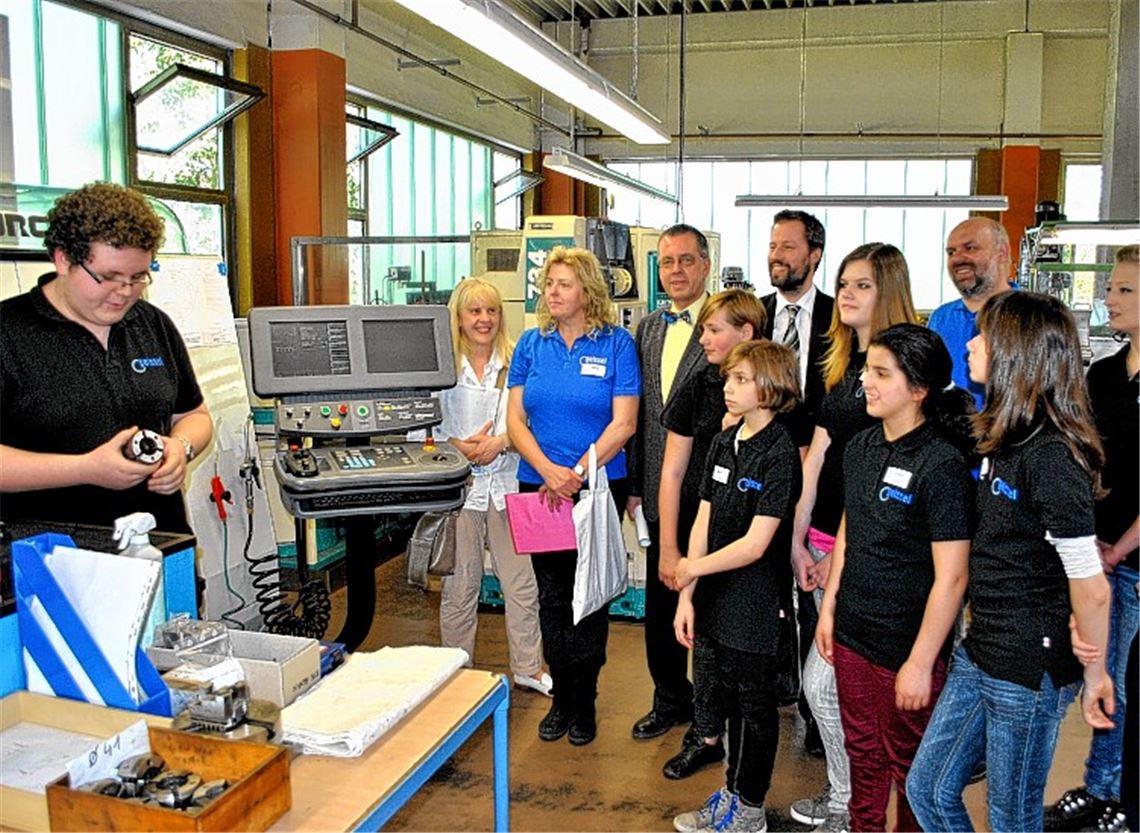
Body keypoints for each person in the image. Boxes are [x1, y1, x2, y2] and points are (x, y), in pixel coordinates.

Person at [907, 291, 1115, 833]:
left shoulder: (1051, 458)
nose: (971, 344)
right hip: (983, 649)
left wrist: (1095, 674)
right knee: (928, 788)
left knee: (1011, 819)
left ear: (1018, 355)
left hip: (1027, 669)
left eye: (985, 337)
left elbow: (1091, 586)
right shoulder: (1005, 438)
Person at [815, 324, 975, 832]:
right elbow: (848, 530)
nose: (867, 383)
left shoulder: (941, 464)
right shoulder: (861, 447)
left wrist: (921, 663)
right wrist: (829, 608)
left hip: (905, 646)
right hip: (852, 634)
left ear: (920, 388)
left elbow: (952, 577)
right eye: (868, 371)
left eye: (882, 374)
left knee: (911, 769)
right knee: (861, 753)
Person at [788, 243, 918, 833]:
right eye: (843, 283)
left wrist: (840, 556)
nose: (845, 294)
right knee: (833, 690)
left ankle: (859, 802)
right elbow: (815, 458)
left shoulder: (905, 370)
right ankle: (848, 800)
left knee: (837, 689)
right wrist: (797, 541)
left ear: (888, 290)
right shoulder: (839, 365)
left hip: (870, 557)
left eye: (861, 285)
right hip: (822, 544)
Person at [0, 182, 212, 534]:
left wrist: (181, 447)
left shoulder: (153, 323)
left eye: (138, 277)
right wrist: (85, 468)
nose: (125, 292)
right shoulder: (8, 334)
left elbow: (194, 415)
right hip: (52, 552)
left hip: (161, 539)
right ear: (63, 259)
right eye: (108, 277)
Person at [506, 245, 640, 746]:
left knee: (590, 595)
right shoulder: (531, 344)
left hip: (599, 487)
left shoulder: (616, 344)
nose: (552, 292)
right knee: (553, 595)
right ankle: (561, 698)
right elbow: (515, 420)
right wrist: (548, 470)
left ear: (588, 290)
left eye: (563, 283)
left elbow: (624, 423)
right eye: (548, 283)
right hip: (538, 487)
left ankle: (585, 701)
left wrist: (577, 473)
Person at [672, 339, 802, 833]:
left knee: (754, 707)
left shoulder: (780, 452)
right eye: (729, 377)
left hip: (755, 603)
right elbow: (703, 519)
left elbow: (755, 544)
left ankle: (749, 807)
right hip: (713, 596)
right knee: (727, 701)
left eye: (741, 379)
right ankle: (730, 792)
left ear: (770, 387)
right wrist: (687, 594)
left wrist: (692, 569)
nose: (728, 386)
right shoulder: (725, 443)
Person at [1044, 243, 1139, 833]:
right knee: (1095, 674)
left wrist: (1118, 549)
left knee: (1124, 681)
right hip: (1096, 553)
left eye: (1125, 289)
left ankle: (1121, 796)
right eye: (1110, 287)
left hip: (1129, 558)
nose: (1110, 297)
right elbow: (1086, 460)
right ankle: (1100, 785)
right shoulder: (1103, 373)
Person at [658, 289, 768, 780]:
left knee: (741, 653)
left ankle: (744, 756)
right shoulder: (699, 384)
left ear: (746, 333)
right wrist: (671, 548)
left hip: (752, 547)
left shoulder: (774, 402)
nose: (703, 339)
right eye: (702, 328)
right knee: (701, 643)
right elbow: (673, 471)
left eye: (713, 329)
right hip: (700, 533)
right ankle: (705, 734)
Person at [435, 277, 551, 696]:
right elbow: (419, 432)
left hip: (509, 488)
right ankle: (455, 673)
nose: (484, 319)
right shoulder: (442, 367)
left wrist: (501, 442)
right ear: (459, 317)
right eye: (475, 311)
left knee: (521, 583)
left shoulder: (518, 360)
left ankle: (528, 667)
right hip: (461, 492)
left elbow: (539, 420)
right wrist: (457, 447)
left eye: (491, 311)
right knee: (460, 586)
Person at [628, 224, 713, 745]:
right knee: (660, 603)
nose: (675, 271)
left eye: (685, 260)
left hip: (709, 492)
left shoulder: (725, 323)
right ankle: (668, 697)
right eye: (666, 262)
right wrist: (637, 484)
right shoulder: (648, 328)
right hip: (660, 491)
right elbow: (640, 413)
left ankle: (710, 714)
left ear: (705, 264)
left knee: (706, 605)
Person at [759, 209, 834, 759]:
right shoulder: (754, 317)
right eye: (772, 246)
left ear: (814, 254)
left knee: (810, 594)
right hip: (759, 477)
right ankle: (770, 692)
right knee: (761, 592)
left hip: (820, 482)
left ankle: (814, 711)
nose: (776, 256)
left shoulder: (838, 319)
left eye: (787, 246)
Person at [927, 217, 1014, 412]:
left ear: (1002, 253)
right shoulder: (940, 319)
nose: (958, 259)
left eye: (970, 248)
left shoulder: (1030, 317)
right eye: (951, 252)